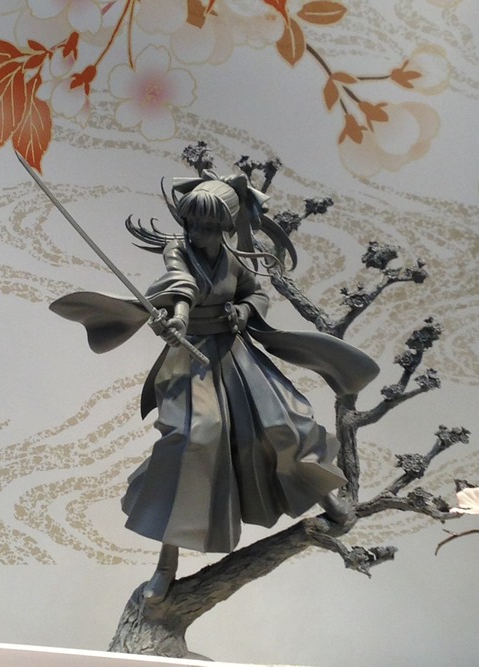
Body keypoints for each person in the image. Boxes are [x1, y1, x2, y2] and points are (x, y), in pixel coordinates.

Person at [50, 172, 379, 601]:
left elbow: (256, 293)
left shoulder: (233, 256)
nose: (197, 232)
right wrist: (177, 320)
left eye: (207, 225)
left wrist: (244, 311)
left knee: (285, 423)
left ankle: (325, 497)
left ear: (223, 226)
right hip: (190, 359)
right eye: (192, 222)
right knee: (193, 442)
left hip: (236, 355)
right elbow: (180, 285)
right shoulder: (178, 249)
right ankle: (166, 564)